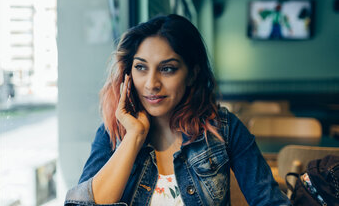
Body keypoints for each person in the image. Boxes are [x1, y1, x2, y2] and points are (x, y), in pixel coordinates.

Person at [64, 14, 291, 206]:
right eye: (141, 67)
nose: (152, 83)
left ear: (192, 74)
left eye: (168, 69)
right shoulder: (112, 132)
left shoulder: (225, 129)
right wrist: (133, 137)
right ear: (128, 75)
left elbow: (270, 201)